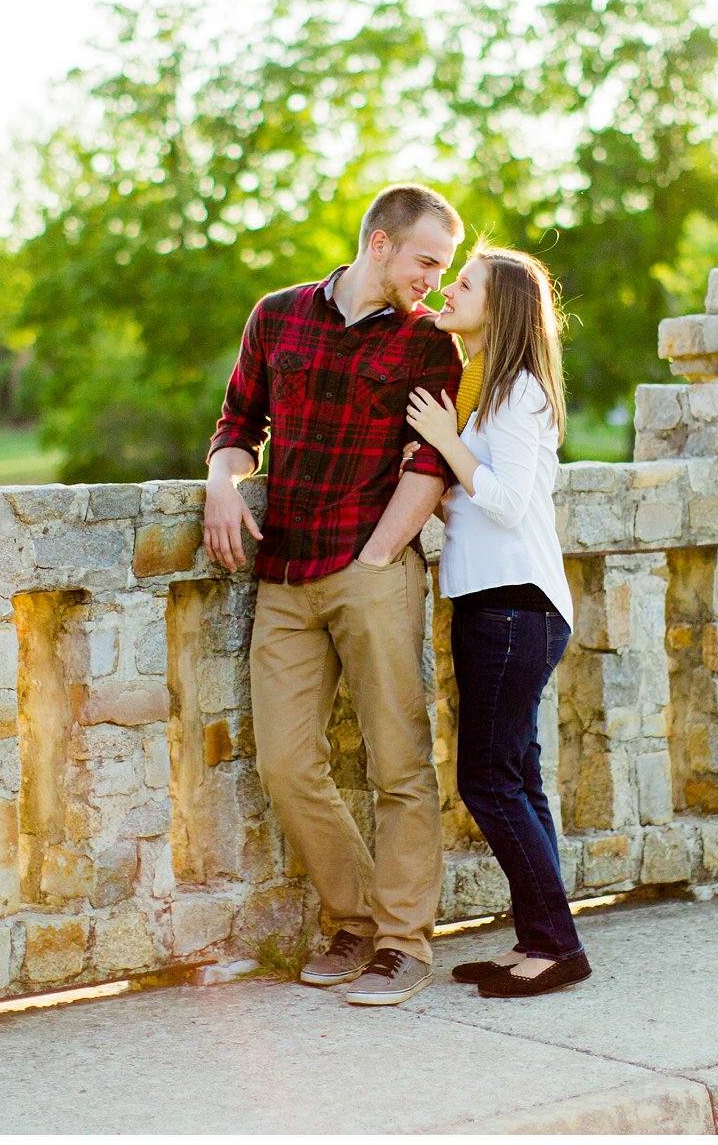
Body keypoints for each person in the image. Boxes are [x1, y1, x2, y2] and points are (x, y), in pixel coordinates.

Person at [202, 183, 465, 1007]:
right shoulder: (277, 315)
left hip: (372, 570)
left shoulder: (430, 348)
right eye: (426, 260)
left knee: (399, 763)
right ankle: (351, 919)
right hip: (283, 573)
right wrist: (221, 484)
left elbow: (429, 466)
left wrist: (379, 556)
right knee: (285, 764)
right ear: (380, 244)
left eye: (445, 266)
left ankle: (401, 943)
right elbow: (238, 423)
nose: (433, 279)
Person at [401, 246, 588, 998]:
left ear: (501, 307)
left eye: (465, 282)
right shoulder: (486, 391)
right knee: (517, 779)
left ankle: (558, 947)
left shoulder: (518, 395)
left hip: (516, 606)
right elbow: (479, 501)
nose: (449, 288)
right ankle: (541, 940)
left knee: (487, 782)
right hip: (499, 601)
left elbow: (507, 502)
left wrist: (445, 444)